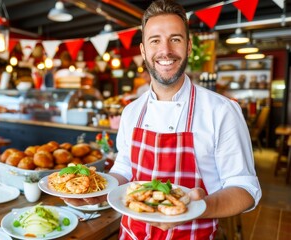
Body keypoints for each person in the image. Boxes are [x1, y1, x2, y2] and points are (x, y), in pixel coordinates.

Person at [65, 0, 261, 239]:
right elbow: (125, 169)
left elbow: (246, 189)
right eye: (155, 40)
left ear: (188, 47)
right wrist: (99, 189)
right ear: (143, 51)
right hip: (131, 234)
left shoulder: (221, 110)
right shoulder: (131, 111)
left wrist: (200, 207)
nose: (165, 50)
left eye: (175, 39)